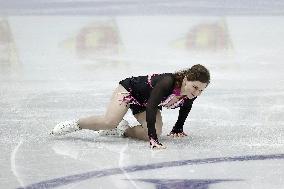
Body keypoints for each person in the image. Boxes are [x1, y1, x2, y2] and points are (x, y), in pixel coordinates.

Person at [50, 64, 210, 149]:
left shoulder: (190, 94)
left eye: (201, 90)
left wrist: (177, 128)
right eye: (195, 87)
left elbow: (185, 108)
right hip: (130, 91)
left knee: (153, 131)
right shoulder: (168, 82)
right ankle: (76, 124)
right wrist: (153, 140)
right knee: (109, 122)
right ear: (186, 79)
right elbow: (152, 107)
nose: (197, 93)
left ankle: (122, 130)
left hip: (145, 102)